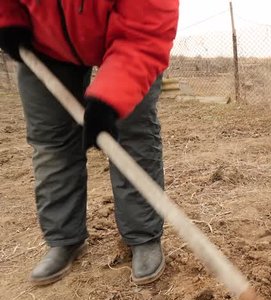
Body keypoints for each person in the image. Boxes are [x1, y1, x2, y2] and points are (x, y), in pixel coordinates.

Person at [0, 1, 179, 285]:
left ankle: (143, 235)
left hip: (131, 42)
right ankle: (63, 237)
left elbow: (146, 34)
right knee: (52, 138)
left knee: (133, 134)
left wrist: (110, 99)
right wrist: (8, 17)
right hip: (45, 43)